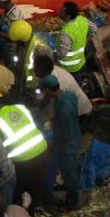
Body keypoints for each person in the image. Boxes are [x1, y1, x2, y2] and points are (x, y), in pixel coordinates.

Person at [41, 75, 81, 208]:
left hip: (67, 145)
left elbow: (66, 132)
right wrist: (52, 121)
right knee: (69, 170)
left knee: (69, 172)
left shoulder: (65, 108)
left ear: (47, 89)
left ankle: (73, 200)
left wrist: (54, 144)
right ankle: (69, 187)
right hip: (74, 137)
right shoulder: (68, 95)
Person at [55, 2, 96, 80]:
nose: (59, 12)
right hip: (80, 61)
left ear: (68, 16)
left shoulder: (66, 33)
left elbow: (62, 54)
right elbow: (94, 29)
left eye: (61, 11)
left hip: (69, 68)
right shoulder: (82, 20)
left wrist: (53, 56)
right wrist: (85, 42)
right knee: (78, 81)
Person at [8, 20, 49, 90]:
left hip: (34, 85)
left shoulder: (40, 49)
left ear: (21, 38)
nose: (14, 43)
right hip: (25, 81)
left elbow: (45, 70)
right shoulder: (24, 44)